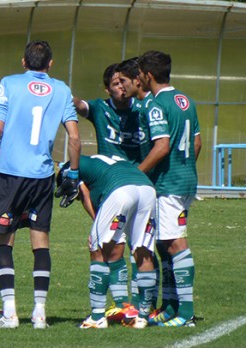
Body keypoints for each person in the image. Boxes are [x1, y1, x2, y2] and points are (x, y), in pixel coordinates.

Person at [0, 40, 81, 329]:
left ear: (23, 62)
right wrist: (72, 173)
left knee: (3, 241)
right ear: (50, 64)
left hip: (9, 174)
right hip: (42, 176)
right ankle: (40, 314)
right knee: (40, 241)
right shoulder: (62, 89)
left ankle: (9, 313)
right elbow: (75, 137)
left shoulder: (9, 83)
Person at [74, 63, 149, 323]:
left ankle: (137, 308)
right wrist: (57, 92)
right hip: (109, 186)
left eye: (123, 81)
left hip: (136, 181)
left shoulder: (143, 109)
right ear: (107, 88)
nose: (121, 86)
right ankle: (126, 308)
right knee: (113, 246)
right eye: (115, 83)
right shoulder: (99, 107)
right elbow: (79, 106)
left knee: (141, 250)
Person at [137, 50, 201, 327]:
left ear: (148, 75)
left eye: (140, 73)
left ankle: (185, 313)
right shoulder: (184, 100)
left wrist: (136, 173)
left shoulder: (156, 104)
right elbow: (197, 143)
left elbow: (161, 146)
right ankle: (170, 304)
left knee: (175, 243)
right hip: (185, 178)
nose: (138, 78)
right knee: (164, 243)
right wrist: (184, 166)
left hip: (169, 183)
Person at [57, 155, 157, 329]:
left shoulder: (71, 166)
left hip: (120, 190)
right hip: (147, 189)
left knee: (97, 249)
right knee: (143, 252)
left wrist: (97, 224)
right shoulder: (106, 161)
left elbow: (84, 193)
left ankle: (97, 317)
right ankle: (142, 317)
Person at [115, 57, 161, 315]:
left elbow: (161, 146)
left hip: (149, 185)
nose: (121, 86)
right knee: (143, 246)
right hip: (145, 185)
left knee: (145, 246)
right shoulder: (143, 106)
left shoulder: (150, 107)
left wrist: (139, 173)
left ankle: (148, 305)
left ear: (137, 80)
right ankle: (147, 305)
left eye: (123, 81)